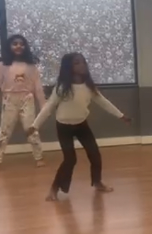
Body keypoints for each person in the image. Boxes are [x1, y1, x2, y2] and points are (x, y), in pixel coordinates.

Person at [27, 53, 131, 202]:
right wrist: (35, 125)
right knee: (70, 160)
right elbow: (49, 107)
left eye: (83, 62)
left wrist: (121, 116)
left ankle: (97, 182)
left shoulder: (89, 87)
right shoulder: (62, 88)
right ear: (69, 67)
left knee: (95, 154)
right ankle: (54, 189)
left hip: (81, 125)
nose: (81, 65)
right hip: (64, 127)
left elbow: (103, 102)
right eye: (77, 63)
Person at [0, 35, 47, 166]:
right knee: (4, 130)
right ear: (9, 46)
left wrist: (44, 106)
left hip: (27, 98)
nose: (18, 46)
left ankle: (38, 157)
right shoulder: (3, 65)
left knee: (31, 128)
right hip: (9, 99)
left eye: (21, 44)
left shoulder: (31, 67)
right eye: (15, 44)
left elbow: (38, 87)